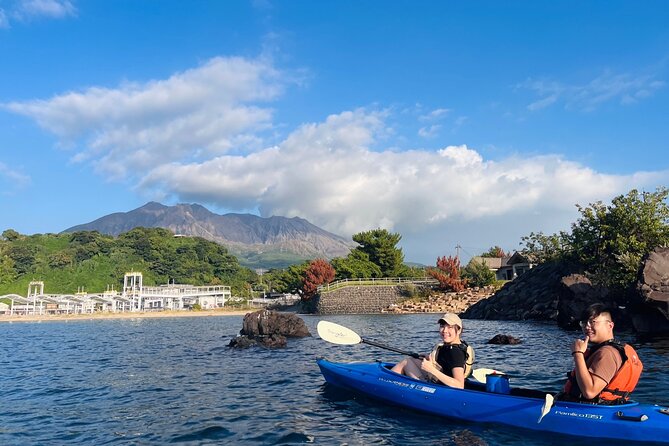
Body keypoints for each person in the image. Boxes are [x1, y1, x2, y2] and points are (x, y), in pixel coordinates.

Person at [561, 303, 643, 404]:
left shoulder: (607, 353)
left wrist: (577, 353)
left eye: (593, 322)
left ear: (610, 325)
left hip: (592, 411)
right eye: (584, 322)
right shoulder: (605, 350)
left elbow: (590, 392)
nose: (587, 327)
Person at [390, 313, 473, 388]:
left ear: (458, 330)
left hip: (439, 390)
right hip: (439, 382)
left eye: (450, 327)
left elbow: (459, 385)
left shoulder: (456, 353)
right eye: (442, 326)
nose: (445, 330)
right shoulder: (453, 346)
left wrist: (431, 369)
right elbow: (446, 365)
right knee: (411, 360)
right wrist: (430, 359)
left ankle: (387, 383)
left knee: (406, 363)